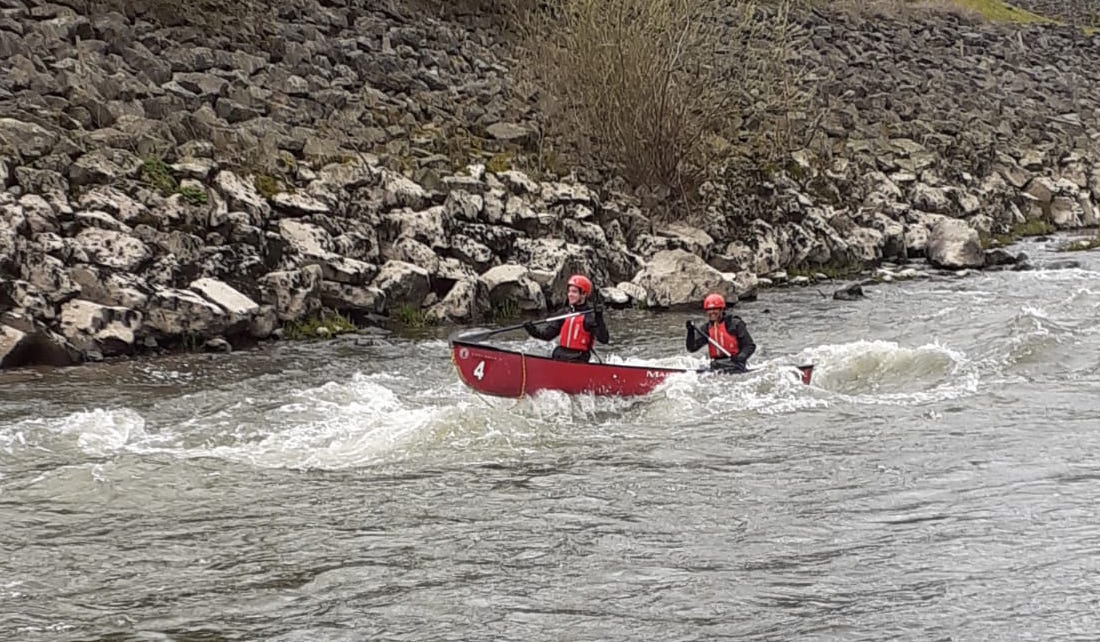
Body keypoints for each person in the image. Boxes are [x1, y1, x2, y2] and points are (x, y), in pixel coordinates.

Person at [524, 274, 609, 362]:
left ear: (584, 294)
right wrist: (531, 329)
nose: (570, 295)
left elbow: (604, 339)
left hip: (578, 358)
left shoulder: (590, 317)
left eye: (574, 292)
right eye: (569, 291)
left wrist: (599, 318)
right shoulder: (564, 313)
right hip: (560, 355)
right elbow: (547, 336)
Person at [685, 292, 756, 372]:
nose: (712, 312)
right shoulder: (706, 328)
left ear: (722, 309)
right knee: (714, 366)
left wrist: (740, 357)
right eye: (709, 310)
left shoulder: (734, 324)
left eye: (715, 309)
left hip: (735, 364)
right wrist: (690, 332)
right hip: (716, 365)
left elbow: (750, 346)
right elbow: (692, 348)